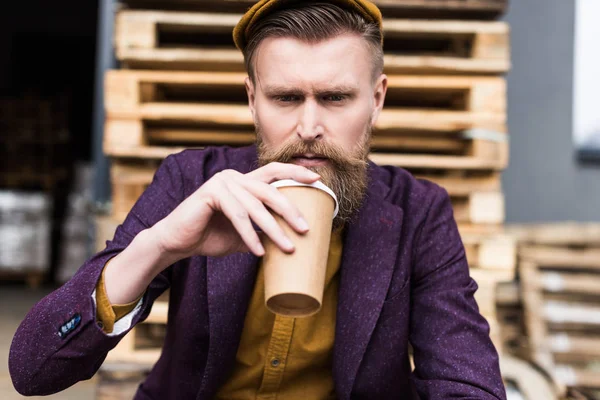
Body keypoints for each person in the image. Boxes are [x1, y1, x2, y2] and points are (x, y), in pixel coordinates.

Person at [9, 1, 506, 399]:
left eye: (335, 98)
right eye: (286, 98)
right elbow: (32, 372)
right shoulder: (193, 181)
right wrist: (159, 245)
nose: (309, 129)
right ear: (252, 99)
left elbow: (467, 382)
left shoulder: (419, 213)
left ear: (376, 99)